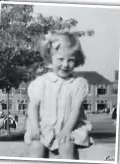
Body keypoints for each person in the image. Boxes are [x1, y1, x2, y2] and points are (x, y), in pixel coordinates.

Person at [24, 31, 92, 159]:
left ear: (77, 60)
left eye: (71, 60)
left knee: (66, 145)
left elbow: (75, 109)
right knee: (36, 146)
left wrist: (66, 130)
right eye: (60, 59)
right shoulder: (41, 82)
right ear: (50, 58)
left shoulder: (78, 84)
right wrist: (34, 127)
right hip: (45, 128)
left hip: (69, 126)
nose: (65, 64)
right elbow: (33, 106)